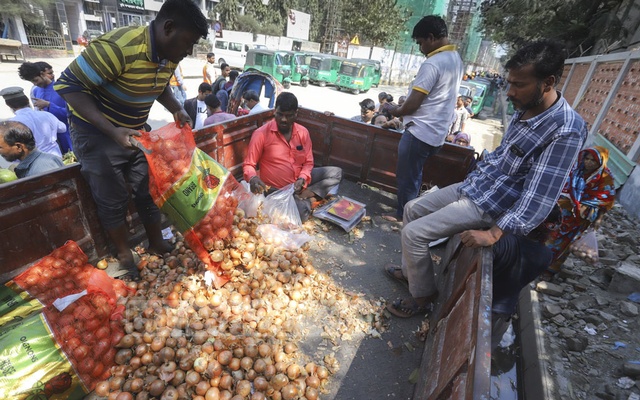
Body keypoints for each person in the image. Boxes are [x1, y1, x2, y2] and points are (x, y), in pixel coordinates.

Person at [383, 39, 587, 318]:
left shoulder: (566, 129)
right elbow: (503, 155)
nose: (510, 92)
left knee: (414, 233)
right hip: (477, 186)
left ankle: (423, 297)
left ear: (548, 82)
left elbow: (538, 197)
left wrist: (493, 233)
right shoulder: (523, 108)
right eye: (509, 83)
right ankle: (413, 275)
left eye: (519, 85)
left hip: (490, 207)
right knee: (412, 208)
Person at [54, 0, 209, 277]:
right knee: (111, 198)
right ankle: (124, 254)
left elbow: (158, 85)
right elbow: (68, 86)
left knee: (147, 190)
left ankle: (157, 241)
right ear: (168, 28)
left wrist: (176, 108)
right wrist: (112, 131)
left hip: (136, 132)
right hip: (98, 134)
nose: (189, 51)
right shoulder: (119, 47)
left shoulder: (169, 54)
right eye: (188, 43)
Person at [385, 16, 464, 222]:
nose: (420, 48)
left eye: (421, 43)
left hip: (419, 132)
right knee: (415, 174)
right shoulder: (455, 58)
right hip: (436, 133)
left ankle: (404, 217)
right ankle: (411, 212)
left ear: (431, 38)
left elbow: (413, 104)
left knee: (407, 178)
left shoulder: (433, 63)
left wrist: (395, 110)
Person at [243, 92, 343, 222]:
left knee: (337, 173)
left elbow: (308, 162)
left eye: (289, 116)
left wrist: (302, 177)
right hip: (276, 190)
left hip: (299, 182)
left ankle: (307, 195)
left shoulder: (303, 132)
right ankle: (307, 200)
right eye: (280, 115)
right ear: (274, 112)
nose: (284, 120)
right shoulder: (261, 134)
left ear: (296, 114)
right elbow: (249, 164)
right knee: (301, 214)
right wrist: (252, 178)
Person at [491, 203, 562, 347]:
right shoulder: (547, 255)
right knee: (486, 352)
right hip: (504, 312)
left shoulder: (502, 240)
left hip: (483, 305)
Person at [543, 146, 615, 278]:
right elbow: (562, 187)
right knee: (550, 236)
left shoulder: (606, 178)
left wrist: (598, 219)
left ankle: (551, 269)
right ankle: (537, 261)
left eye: (593, 160)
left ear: (601, 161)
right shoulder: (575, 170)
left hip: (581, 219)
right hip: (562, 212)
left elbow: (605, 201)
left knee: (566, 243)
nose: (588, 162)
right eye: (587, 158)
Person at [18, 61, 73, 154]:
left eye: (36, 80)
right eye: (32, 82)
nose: (35, 84)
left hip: (68, 136)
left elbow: (72, 113)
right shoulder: (36, 91)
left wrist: (49, 105)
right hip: (50, 142)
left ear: (42, 74)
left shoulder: (61, 89)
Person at [1, 86, 65, 157]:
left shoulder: (11, 124)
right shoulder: (46, 115)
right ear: (27, 101)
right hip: (56, 157)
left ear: (8, 105)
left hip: (33, 162)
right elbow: (62, 128)